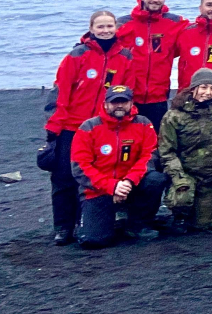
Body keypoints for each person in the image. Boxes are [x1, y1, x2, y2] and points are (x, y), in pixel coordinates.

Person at [45, 10, 134, 245]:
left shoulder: (125, 57)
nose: (105, 30)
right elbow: (62, 92)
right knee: (64, 177)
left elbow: (127, 93)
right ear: (91, 29)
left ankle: (89, 220)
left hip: (102, 126)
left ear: (116, 28)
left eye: (109, 26)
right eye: (100, 27)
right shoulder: (77, 55)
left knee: (94, 174)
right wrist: (55, 126)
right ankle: (63, 226)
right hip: (72, 126)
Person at [70, 85, 168, 248]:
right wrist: (112, 186)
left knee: (156, 179)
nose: (120, 106)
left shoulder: (144, 124)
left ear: (131, 103)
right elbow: (80, 167)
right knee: (93, 241)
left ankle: (137, 224)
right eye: (115, 102)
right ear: (106, 104)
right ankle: (109, 217)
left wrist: (128, 181)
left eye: (124, 102)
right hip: (99, 189)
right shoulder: (88, 128)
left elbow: (149, 156)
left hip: (131, 186)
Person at [157, 68, 212, 232]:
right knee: (182, 197)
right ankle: (179, 215)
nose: (208, 93)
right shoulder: (174, 116)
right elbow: (167, 152)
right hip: (187, 173)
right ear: (193, 88)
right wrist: (179, 178)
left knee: (204, 224)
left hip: (211, 175)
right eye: (204, 87)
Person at [116, 0, 188, 130]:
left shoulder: (174, 22)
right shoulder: (123, 23)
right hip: (129, 97)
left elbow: (200, 31)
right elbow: (100, 37)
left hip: (159, 97)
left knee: (155, 139)